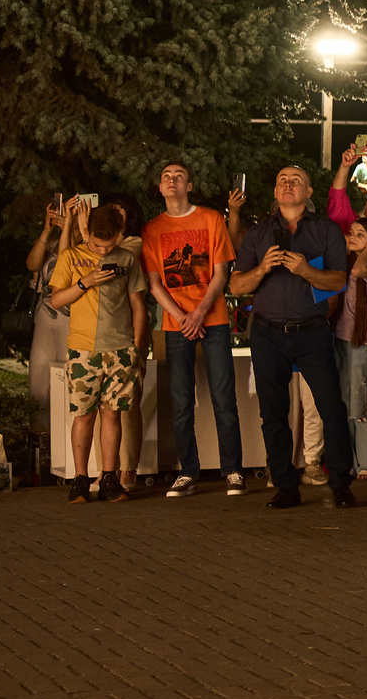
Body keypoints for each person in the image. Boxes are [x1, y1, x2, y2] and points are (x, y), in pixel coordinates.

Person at [232, 165, 355, 509]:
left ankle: (341, 483)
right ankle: (285, 484)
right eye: (282, 180)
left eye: (295, 181)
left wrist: (306, 271)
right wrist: (261, 269)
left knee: (331, 407)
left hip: (312, 332)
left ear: (309, 192)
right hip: (268, 334)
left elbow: (338, 281)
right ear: (274, 192)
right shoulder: (258, 234)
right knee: (273, 413)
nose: (288, 185)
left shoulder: (326, 230)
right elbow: (236, 286)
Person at [144, 162, 240, 498]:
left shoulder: (211, 219)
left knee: (223, 397)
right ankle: (188, 472)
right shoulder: (153, 229)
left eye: (178, 177)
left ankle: (233, 470)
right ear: (160, 187)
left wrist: (199, 313)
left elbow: (221, 273)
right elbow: (155, 284)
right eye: (166, 177)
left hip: (212, 320)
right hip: (175, 324)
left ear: (189, 185)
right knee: (181, 400)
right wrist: (182, 317)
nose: (172, 181)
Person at [49, 198, 146, 503]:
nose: (102, 250)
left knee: (112, 415)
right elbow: (55, 301)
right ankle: (80, 478)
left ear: (120, 234)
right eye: (96, 243)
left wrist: (136, 348)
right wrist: (84, 283)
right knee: (83, 415)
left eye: (108, 244)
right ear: (87, 231)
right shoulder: (71, 257)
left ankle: (109, 477)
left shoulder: (128, 259)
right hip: (83, 351)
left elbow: (138, 305)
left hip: (120, 349)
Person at [328, 216, 367, 479]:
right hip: (339, 338)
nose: (352, 237)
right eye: (351, 232)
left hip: (363, 340)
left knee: (360, 403)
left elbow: (359, 272)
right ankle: (349, 462)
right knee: (343, 401)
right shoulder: (341, 262)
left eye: (360, 234)